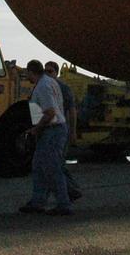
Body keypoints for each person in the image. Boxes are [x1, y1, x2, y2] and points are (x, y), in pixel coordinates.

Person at [18, 59, 73, 216]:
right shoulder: (50, 83)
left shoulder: (42, 86)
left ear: (31, 71)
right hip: (54, 129)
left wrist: (36, 129)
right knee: (39, 166)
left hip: (52, 130)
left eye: (26, 73)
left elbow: (50, 113)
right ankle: (38, 201)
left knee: (52, 167)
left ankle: (63, 203)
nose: (26, 76)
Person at [45, 61, 83, 201]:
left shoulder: (64, 88)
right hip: (51, 129)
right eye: (45, 71)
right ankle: (68, 191)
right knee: (55, 163)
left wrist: (73, 131)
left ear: (56, 73)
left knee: (57, 162)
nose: (47, 74)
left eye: (50, 71)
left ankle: (71, 190)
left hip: (62, 129)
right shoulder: (46, 87)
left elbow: (72, 111)